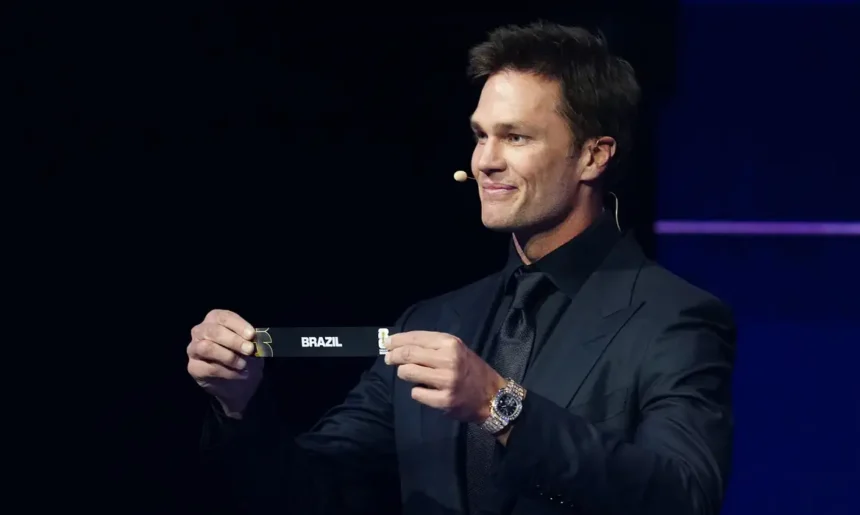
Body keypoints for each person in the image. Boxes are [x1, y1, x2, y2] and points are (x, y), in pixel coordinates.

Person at [187, 22, 736, 515]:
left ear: (594, 156)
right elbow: (310, 492)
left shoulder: (672, 317)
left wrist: (498, 405)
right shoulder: (434, 320)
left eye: (515, 137)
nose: (485, 161)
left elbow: (685, 496)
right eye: (480, 135)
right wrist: (239, 403)